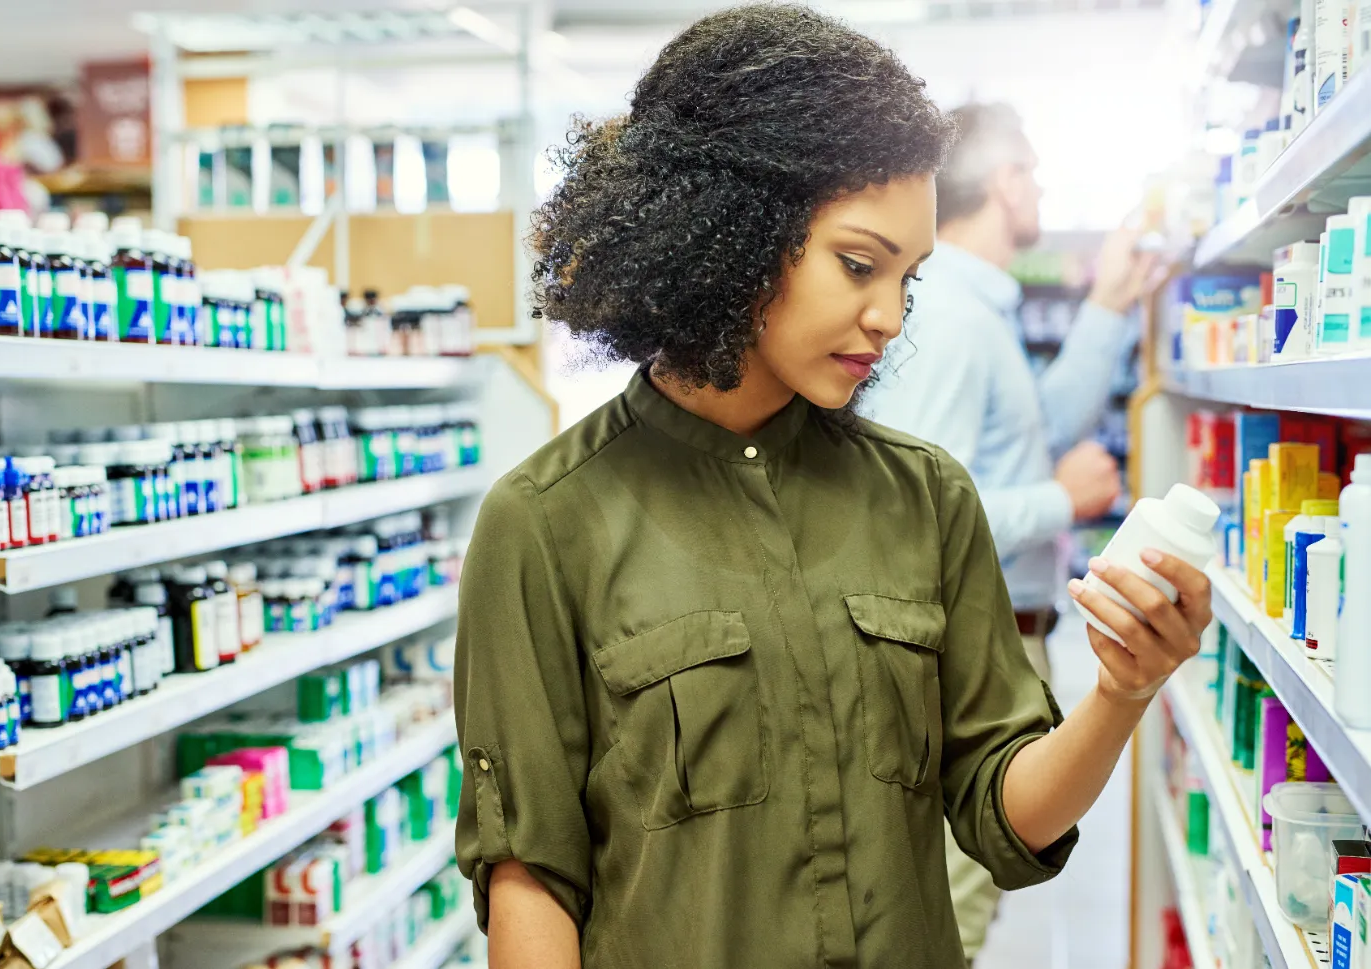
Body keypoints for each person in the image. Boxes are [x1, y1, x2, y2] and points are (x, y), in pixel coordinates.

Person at [453, 8, 1211, 969]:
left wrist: (1120, 692)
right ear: (730, 231)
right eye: (859, 264)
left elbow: (999, 810)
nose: (890, 316)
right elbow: (530, 872)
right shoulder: (545, 522)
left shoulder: (926, 497)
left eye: (910, 277)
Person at [863, 104, 1159, 961]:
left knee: (970, 899)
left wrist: (1106, 304)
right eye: (1033, 170)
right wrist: (1059, 504)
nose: (1041, 188)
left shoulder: (976, 305)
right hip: (965, 650)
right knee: (953, 910)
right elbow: (914, 515)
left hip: (1000, 636)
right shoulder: (952, 319)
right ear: (1004, 182)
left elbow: (1029, 431)